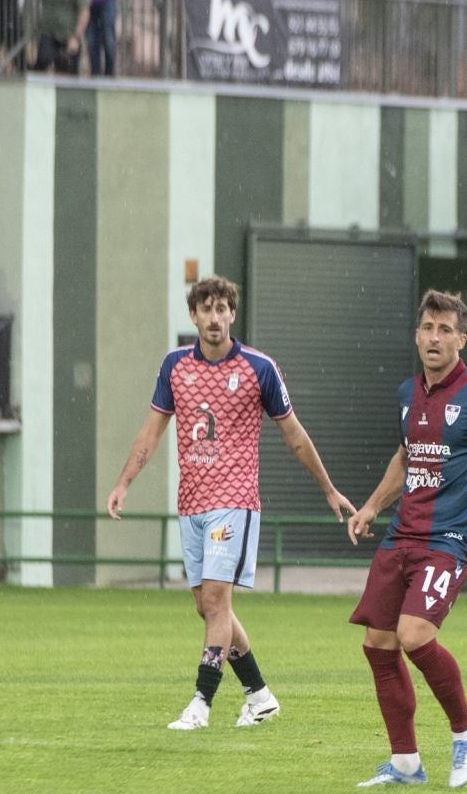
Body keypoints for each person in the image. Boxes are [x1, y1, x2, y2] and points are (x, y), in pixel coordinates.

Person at [106, 276, 354, 732]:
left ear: (233, 315)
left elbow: (293, 434)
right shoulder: (175, 366)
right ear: (194, 316)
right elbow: (151, 431)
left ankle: (201, 702)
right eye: (207, 309)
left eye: (223, 308)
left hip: (234, 500)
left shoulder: (259, 368)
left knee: (218, 601)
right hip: (192, 504)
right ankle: (259, 695)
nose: (215, 317)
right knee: (208, 607)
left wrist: (328, 487)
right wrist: (124, 482)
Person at [345, 292, 467, 789]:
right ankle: (405, 763)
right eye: (428, 328)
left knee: (414, 635)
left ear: (461, 340)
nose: (435, 338)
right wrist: (373, 505)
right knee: (378, 645)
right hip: (401, 535)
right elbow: (406, 457)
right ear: (417, 335)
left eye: (446, 330)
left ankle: (466, 735)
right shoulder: (409, 391)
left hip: (448, 540)